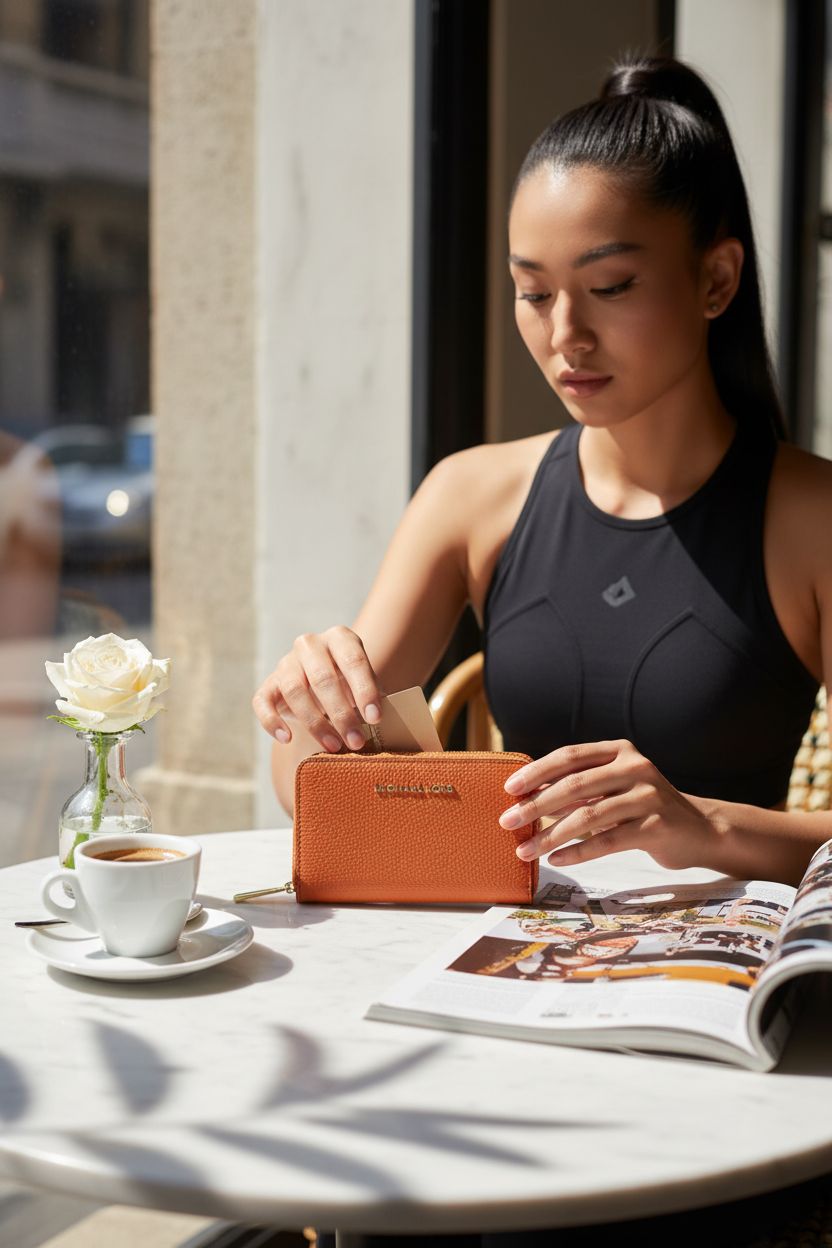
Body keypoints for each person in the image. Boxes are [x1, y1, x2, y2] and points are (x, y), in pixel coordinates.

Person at [253, 52, 832, 1248]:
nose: (562, 334)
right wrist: (315, 720)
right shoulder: (474, 495)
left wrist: (704, 826)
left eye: (608, 285)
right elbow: (336, 810)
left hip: (705, 1059)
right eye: (530, 291)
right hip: (492, 1018)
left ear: (716, 277)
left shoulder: (806, 517)